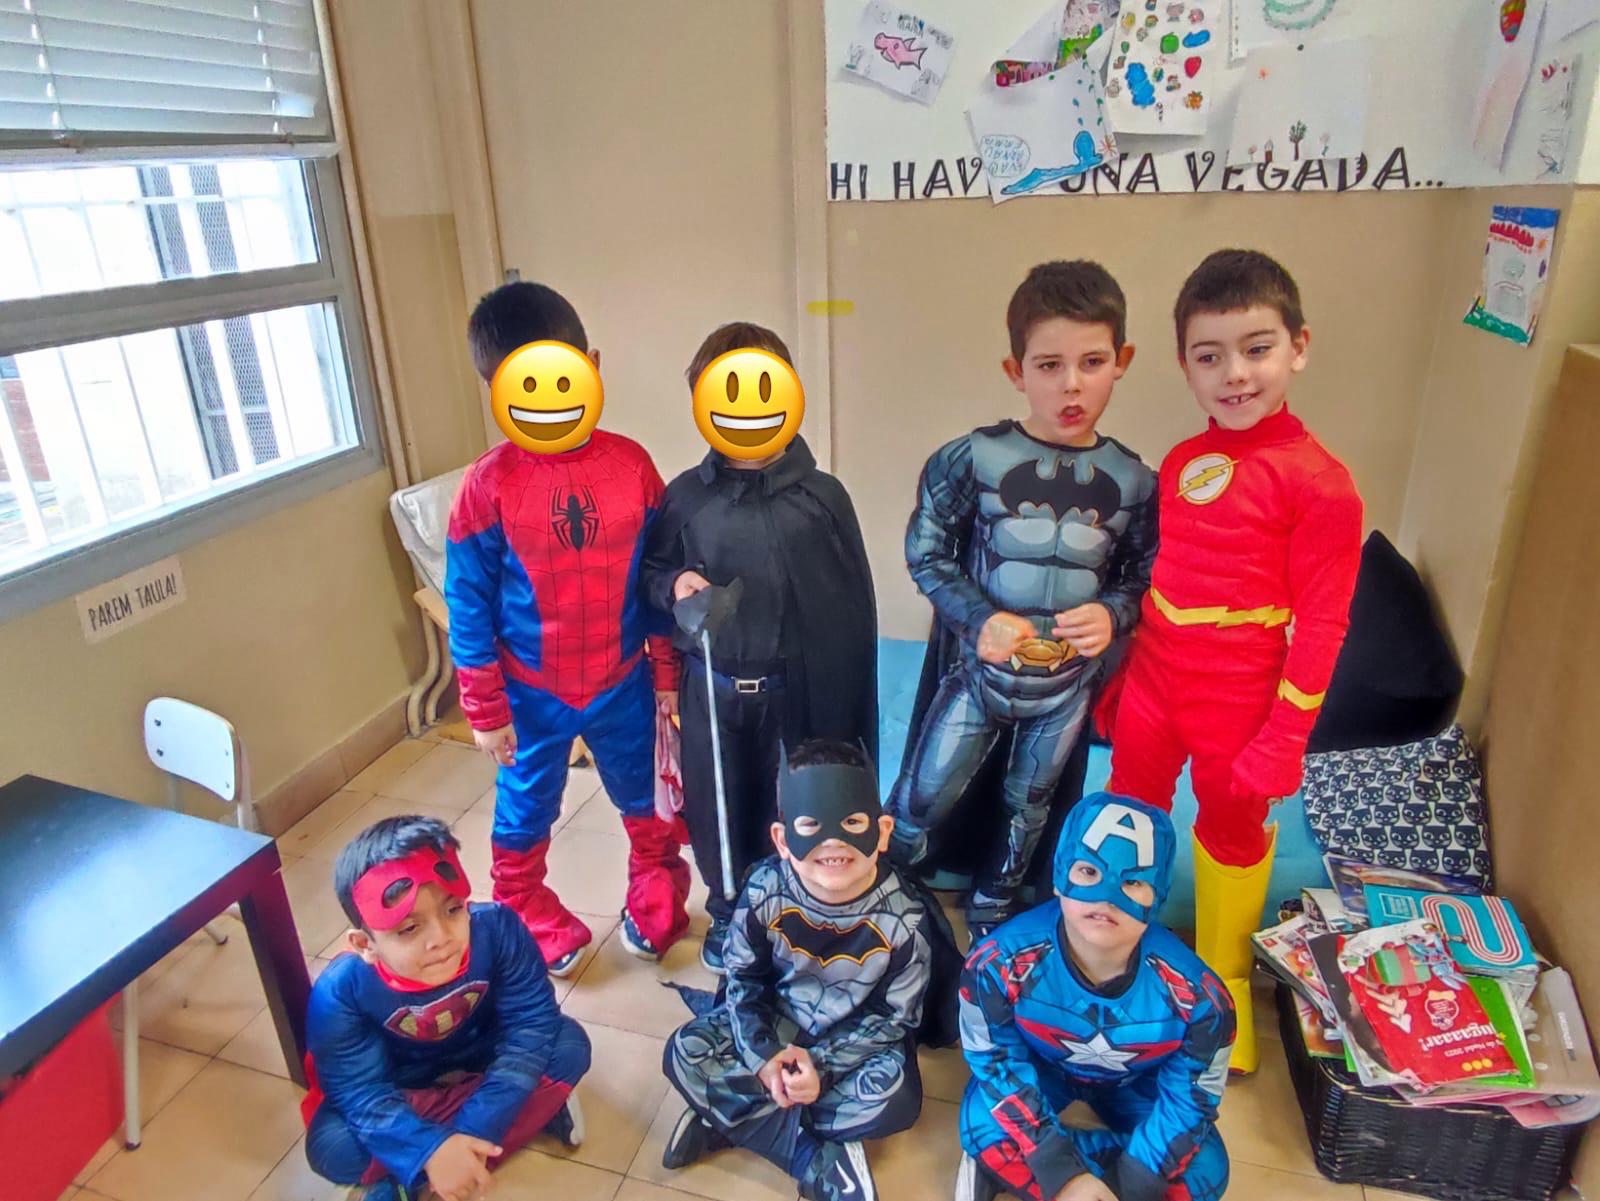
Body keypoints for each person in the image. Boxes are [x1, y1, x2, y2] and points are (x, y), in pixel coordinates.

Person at [1104, 249, 1362, 1072]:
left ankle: (1225, 987)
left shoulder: (1322, 484)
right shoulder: (1183, 461)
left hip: (1241, 693)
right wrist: (1124, 673)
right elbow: (1165, 575)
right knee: (1129, 810)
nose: (1235, 374)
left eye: (1257, 348)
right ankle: (1117, 960)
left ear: (1299, 347)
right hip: (1156, 679)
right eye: (1209, 355)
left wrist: (1286, 733)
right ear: (1185, 365)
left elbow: (1323, 624)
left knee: (1232, 829)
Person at [888, 260, 1157, 938]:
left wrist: (1113, 614)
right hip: (981, 676)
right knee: (921, 797)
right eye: (1049, 365)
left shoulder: (1135, 482)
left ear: (1122, 361)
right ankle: (883, 894)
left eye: (1092, 362)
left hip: (1065, 686)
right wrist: (978, 617)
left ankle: (994, 910)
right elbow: (926, 552)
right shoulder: (971, 458)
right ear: (1016, 371)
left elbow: (1144, 574)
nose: (1072, 385)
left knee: (1029, 808)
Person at [446, 281, 690, 976]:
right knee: (524, 810)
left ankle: (656, 888)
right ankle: (523, 905)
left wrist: (666, 677)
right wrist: (486, 709)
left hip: (624, 682)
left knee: (647, 800)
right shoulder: (487, 486)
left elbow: (658, 578)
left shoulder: (632, 466)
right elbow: (467, 604)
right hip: (530, 692)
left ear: (593, 365)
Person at [640, 322, 876, 973]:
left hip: (794, 690)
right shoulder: (686, 497)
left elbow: (848, 612)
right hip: (712, 688)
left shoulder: (822, 500)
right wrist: (676, 585)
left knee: (797, 804)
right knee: (718, 805)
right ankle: (729, 911)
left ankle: (799, 907)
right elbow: (652, 574)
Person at [660, 740, 931, 1201]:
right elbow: (742, 980)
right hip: (775, 1024)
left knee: (896, 1099)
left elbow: (895, 1018)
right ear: (783, 840)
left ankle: (729, 1118)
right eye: (811, 825)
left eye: (852, 823)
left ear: (882, 831)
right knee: (684, 1051)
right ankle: (813, 1160)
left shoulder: (905, 918)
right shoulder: (764, 890)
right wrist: (764, 1057)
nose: (833, 843)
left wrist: (821, 1067)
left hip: (851, 1044)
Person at [956, 793, 1234, 1201]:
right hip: (1043, 1069)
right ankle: (1078, 1175)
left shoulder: (1202, 999)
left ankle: (1054, 1178)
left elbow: (1193, 1096)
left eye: (1133, 882)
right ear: (1059, 876)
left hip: (1137, 1083)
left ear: (1157, 896)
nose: (1107, 898)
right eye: (1088, 871)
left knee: (1208, 1171)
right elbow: (995, 1063)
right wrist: (1061, 1171)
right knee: (979, 1124)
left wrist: (1135, 1179)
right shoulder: (995, 965)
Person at [302, 816, 590, 1201]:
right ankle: (525, 1117)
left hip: (487, 1060)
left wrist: (470, 1131)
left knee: (569, 1045)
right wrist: (430, 1148)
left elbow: (532, 1024)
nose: (440, 938)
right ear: (364, 945)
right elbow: (361, 1092)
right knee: (331, 1147)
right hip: (406, 1086)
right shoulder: (341, 992)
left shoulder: (498, 929)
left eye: (453, 910)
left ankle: (417, 1180)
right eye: (409, 929)